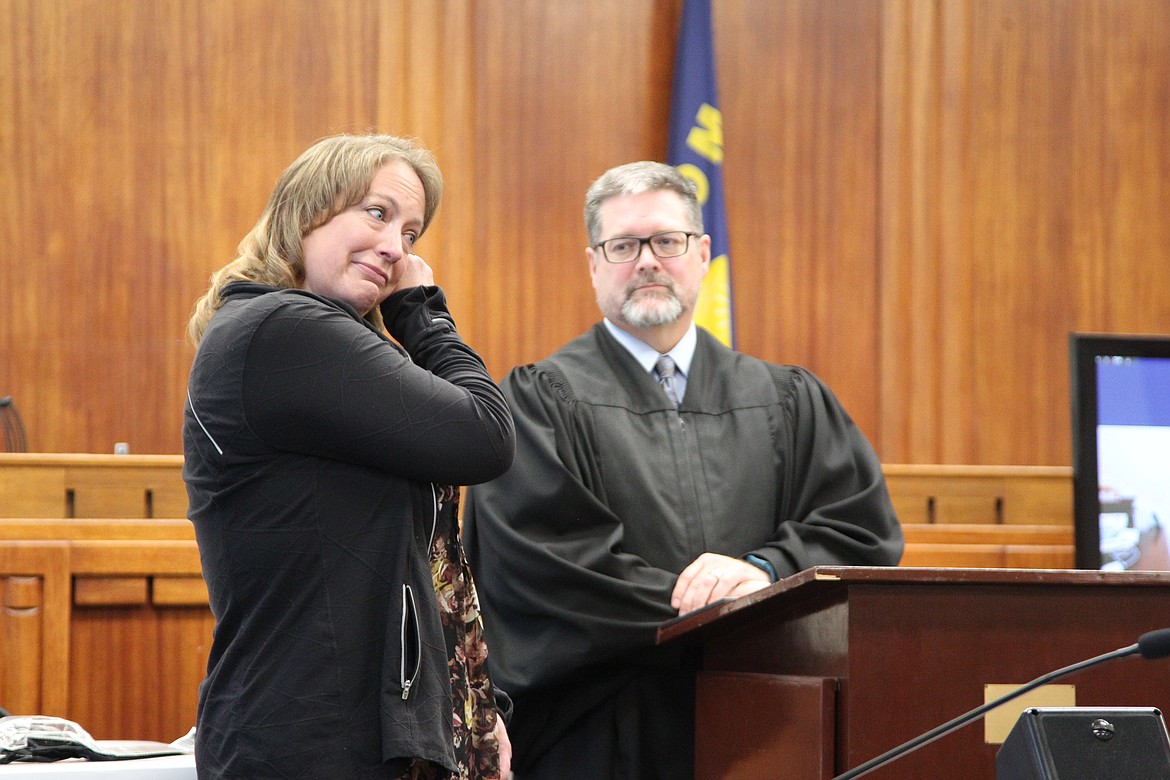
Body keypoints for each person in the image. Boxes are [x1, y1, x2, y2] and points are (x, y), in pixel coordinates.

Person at [462, 161, 903, 779]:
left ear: (702, 255)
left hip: (769, 722)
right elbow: (542, 565)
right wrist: (705, 605)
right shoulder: (539, 404)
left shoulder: (787, 399)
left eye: (666, 241)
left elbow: (861, 532)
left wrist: (765, 572)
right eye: (624, 245)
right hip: (605, 730)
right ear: (594, 265)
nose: (647, 260)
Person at [182, 133, 515, 779]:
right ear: (306, 210)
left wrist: (474, 705)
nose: (396, 248)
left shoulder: (312, 344)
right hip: (308, 740)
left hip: (348, 730)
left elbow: (409, 564)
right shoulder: (284, 330)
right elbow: (485, 434)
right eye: (377, 212)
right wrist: (422, 312)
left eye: (412, 234)